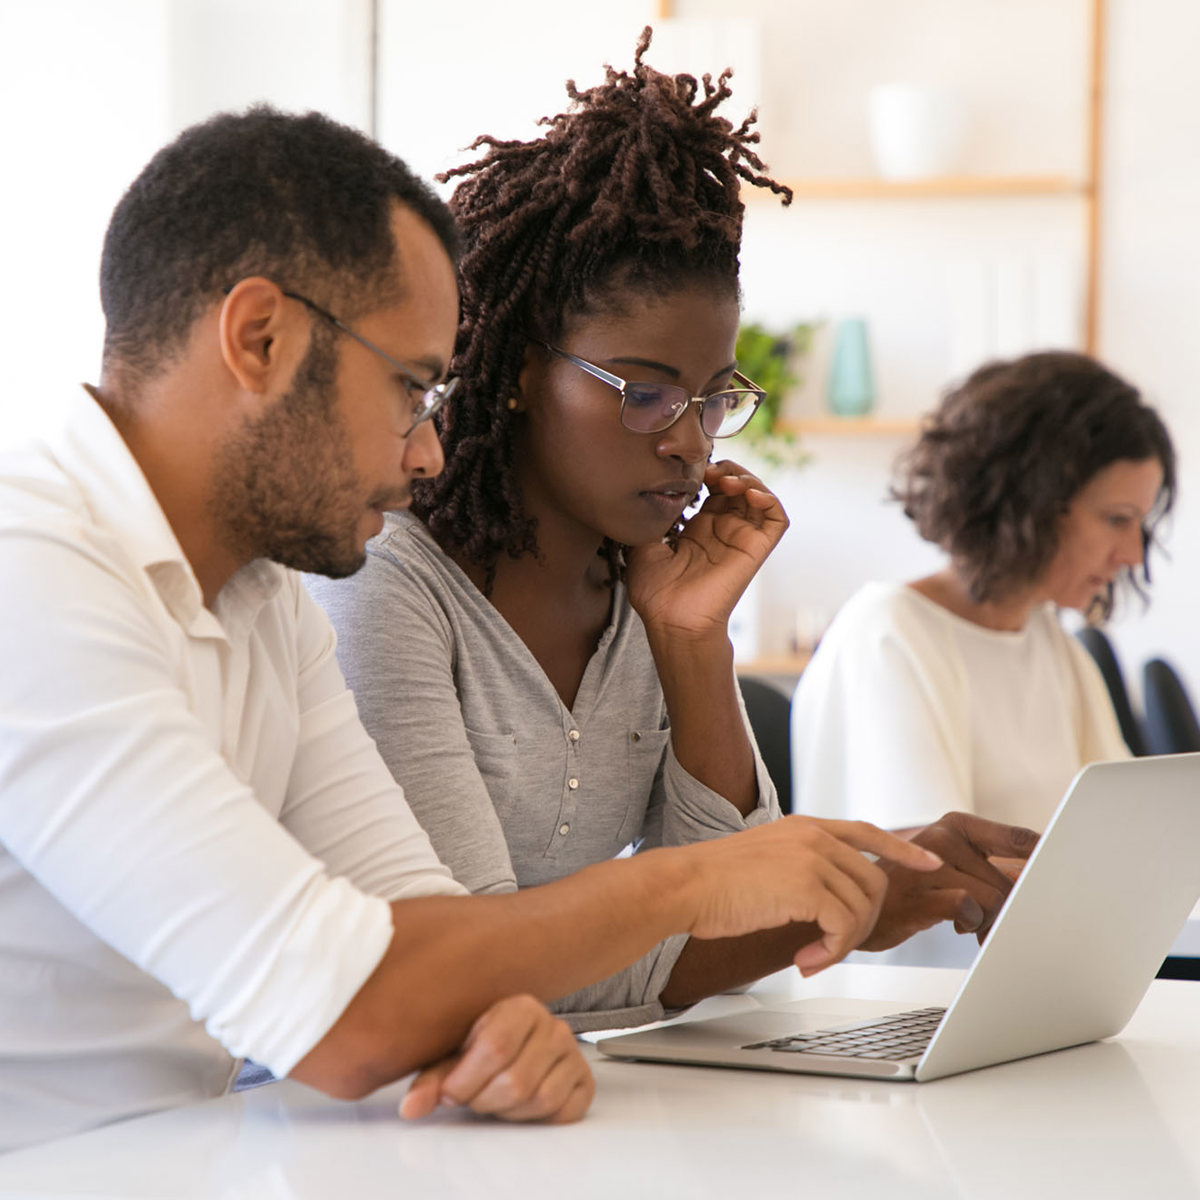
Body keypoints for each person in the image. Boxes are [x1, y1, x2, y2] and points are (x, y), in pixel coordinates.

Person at [0, 104, 958, 1154]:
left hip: (193, 1158)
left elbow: (428, 926)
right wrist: (691, 880)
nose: (427, 455)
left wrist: (498, 1025)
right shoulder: (31, 574)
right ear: (260, 339)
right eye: (412, 389)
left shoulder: (265, 597)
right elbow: (347, 1010)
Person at [306, 31, 1035, 1033]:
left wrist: (692, 644)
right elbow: (472, 965)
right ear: (521, 369)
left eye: (713, 398)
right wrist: (856, 901)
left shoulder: (643, 589)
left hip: (539, 1111)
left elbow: (741, 899)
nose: (689, 446)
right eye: (644, 394)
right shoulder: (384, 584)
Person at [791, 350, 1175, 833]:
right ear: (1029, 503)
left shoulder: (1049, 643)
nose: (1133, 555)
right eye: (1117, 519)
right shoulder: (889, 633)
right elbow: (932, 875)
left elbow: (1129, 828)